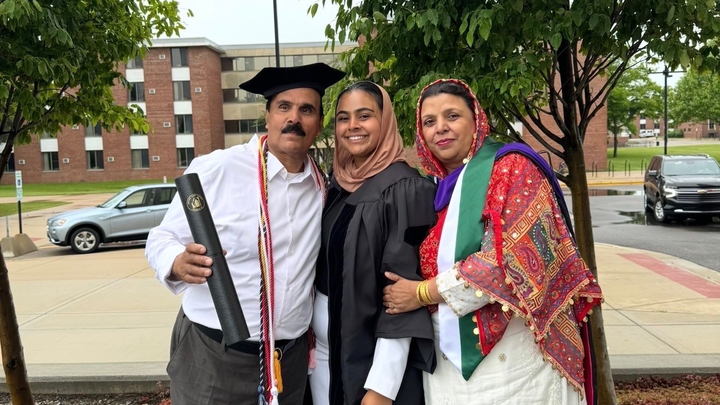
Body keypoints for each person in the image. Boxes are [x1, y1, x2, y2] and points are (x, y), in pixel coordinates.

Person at [382, 79, 603, 405]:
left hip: (517, 366)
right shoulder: (434, 191)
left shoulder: (513, 168)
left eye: (452, 116)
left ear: (477, 121)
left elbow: (510, 262)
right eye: (429, 121)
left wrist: (421, 293)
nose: (440, 128)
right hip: (447, 371)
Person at [145, 63, 345, 405]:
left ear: (319, 123)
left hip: (289, 362)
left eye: (306, 110)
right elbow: (161, 237)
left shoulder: (322, 187)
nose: (294, 118)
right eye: (284, 107)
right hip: (214, 356)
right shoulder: (219, 169)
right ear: (267, 117)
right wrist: (177, 261)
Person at [309, 81, 436, 405]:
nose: (352, 126)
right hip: (324, 358)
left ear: (385, 121)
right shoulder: (337, 184)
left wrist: (382, 387)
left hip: (369, 363)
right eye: (343, 118)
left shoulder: (405, 189)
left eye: (364, 116)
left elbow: (401, 291)